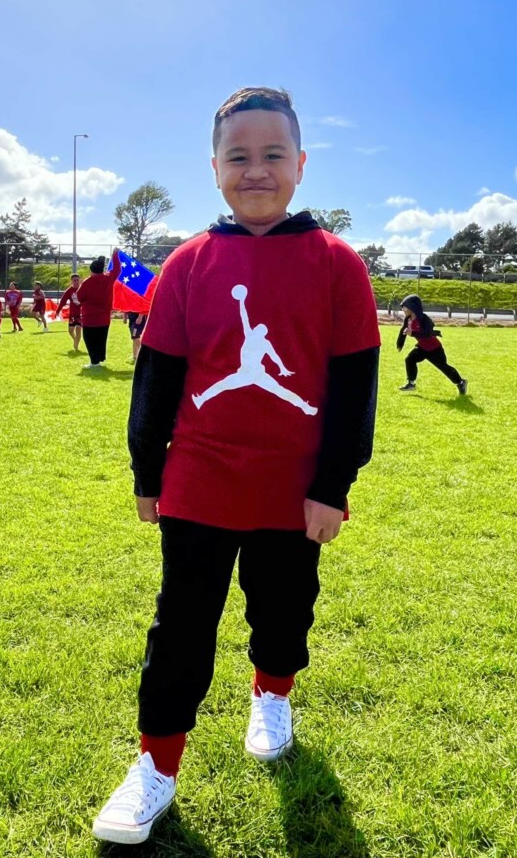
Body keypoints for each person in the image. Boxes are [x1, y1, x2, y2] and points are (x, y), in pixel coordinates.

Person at [92, 87, 380, 845]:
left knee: (283, 613)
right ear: (215, 167)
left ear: (301, 164)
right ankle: (156, 764)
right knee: (181, 626)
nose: (257, 170)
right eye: (239, 156)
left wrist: (333, 486)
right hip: (200, 481)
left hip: (296, 490)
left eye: (273, 154)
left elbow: (355, 387)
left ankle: (272, 693)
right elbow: (157, 376)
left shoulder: (339, 264)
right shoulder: (189, 262)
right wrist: (147, 472)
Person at [396, 294, 467, 395]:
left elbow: (427, 333)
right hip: (422, 348)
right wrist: (400, 344)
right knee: (410, 359)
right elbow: (403, 330)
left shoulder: (424, 319)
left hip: (435, 349)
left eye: (404, 307)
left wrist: (412, 333)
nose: (403, 309)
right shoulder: (408, 319)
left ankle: (461, 382)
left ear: (412, 307)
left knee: (444, 367)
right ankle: (411, 384)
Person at [76, 249, 122, 369]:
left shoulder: (87, 282)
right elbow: (117, 269)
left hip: (89, 317)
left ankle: (94, 362)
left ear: (92, 270)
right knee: (101, 339)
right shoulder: (108, 278)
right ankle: (99, 359)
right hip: (104, 317)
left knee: (90, 339)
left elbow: (80, 297)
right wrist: (115, 255)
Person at [57, 273, 83, 350]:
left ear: (79, 280)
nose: (76, 282)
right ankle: (75, 340)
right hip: (72, 314)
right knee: (70, 331)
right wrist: (58, 310)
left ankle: (76, 346)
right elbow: (63, 301)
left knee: (78, 329)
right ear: (71, 281)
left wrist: (82, 304)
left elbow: (88, 299)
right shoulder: (69, 291)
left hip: (81, 314)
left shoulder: (83, 289)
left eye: (77, 280)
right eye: (74, 280)